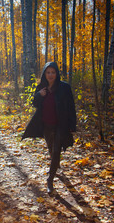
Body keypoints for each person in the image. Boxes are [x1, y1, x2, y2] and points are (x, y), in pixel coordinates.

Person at [22, 62, 76, 194]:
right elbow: (34, 104)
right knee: (52, 150)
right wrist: (39, 95)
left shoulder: (64, 87)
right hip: (46, 125)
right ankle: (55, 165)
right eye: (48, 72)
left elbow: (71, 107)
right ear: (44, 74)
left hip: (60, 125)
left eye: (53, 72)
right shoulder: (41, 87)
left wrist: (72, 125)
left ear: (56, 73)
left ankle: (49, 179)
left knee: (56, 150)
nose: (51, 75)